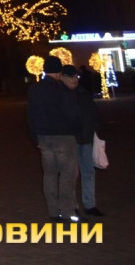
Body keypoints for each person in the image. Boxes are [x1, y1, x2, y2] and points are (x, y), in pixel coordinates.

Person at [27, 55, 82, 222]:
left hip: (44, 137)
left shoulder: (35, 90)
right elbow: (71, 113)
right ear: (59, 72)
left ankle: (53, 211)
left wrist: (35, 137)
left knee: (49, 175)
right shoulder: (61, 89)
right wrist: (76, 131)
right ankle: (67, 211)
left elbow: (31, 115)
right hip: (64, 137)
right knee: (67, 175)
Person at [62, 66, 103, 217]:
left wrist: (94, 127)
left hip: (86, 138)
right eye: (71, 77)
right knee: (71, 174)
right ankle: (72, 205)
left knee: (88, 172)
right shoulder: (61, 95)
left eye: (76, 77)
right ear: (63, 78)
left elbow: (93, 112)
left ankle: (90, 204)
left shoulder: (83, 94)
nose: (74, 80)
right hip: (70, 140)